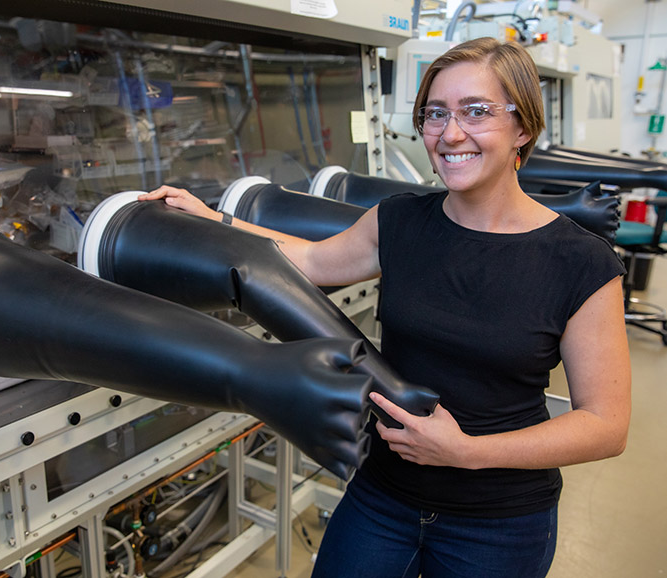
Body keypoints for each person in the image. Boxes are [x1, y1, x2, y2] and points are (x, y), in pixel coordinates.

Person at [138, 37, 631, 578]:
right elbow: (306, 260)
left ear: (524, 127)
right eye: (435, 114)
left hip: (499, 521)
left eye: (476, 112)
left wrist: (466, 452)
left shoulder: (581, 261)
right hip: (383, 495)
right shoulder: (399, 221)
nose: (451, 133)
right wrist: (212, 221)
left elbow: (605, 424)